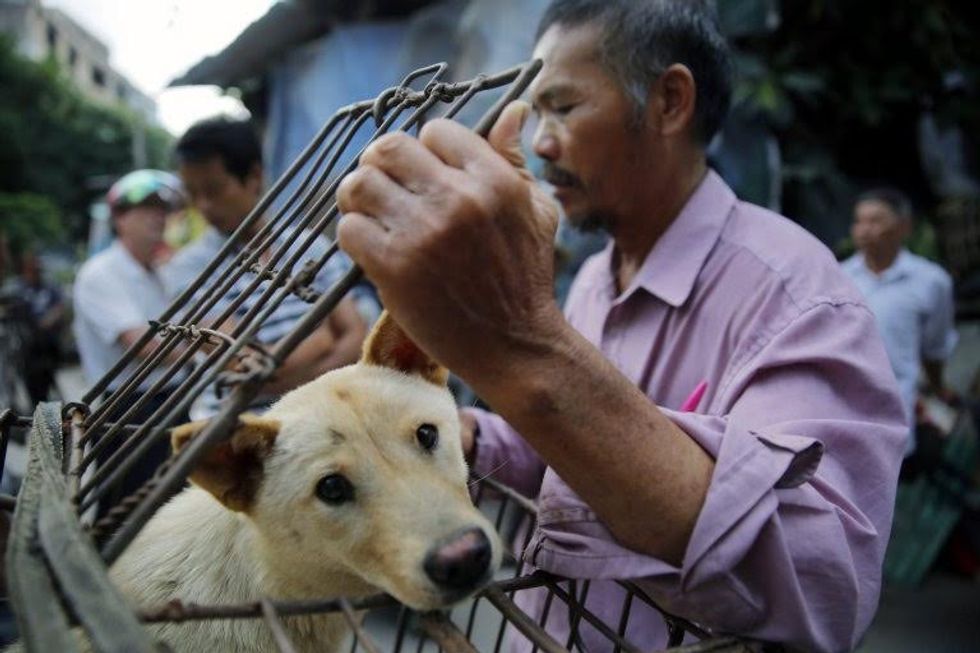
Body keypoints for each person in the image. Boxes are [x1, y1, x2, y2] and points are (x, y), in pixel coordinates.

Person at [334, 1, 907, 651]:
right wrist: (471, 437)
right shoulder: (598, 274)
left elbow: (820, 587)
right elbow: (563, 453)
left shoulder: (798, 298)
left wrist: (519, 340)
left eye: (564, 106)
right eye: (536, 113)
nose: (541, 141)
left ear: (668, 102)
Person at [164, 117, 373, 418]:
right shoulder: (189, 268)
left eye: (213, 190)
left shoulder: (307, 246)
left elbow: (355, 337)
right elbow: (243, 365)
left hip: (323, 417)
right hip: (236, 428)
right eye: (193, 194)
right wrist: (324, 336)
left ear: (254, 177)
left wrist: (284, 371)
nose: (204, 206)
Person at [72, 169, 191, 512]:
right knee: (128, 514)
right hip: (127, 409)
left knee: (172, 509)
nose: (158, 215)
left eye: (162, 208)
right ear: (120, 218)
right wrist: (205, 348)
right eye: (146, 207)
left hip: (172, 398)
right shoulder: (101, 273)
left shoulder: (163, 272)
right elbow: (146, 348)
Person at [843, 188, 959, 457]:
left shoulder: (931, 281)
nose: (864, 230)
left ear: (904, 227)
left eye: (875, 221)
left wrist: (938, 387)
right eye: (859, 221)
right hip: (846, 410)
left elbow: (935, 349)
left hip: (896, 412)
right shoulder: (838, 277)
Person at [11, 252, 66, 404]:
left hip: (48, 345)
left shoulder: (49, 286)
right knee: (35, 390)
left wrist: (48, 321)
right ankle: (44, 420)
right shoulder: (16, 289)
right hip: (27, 350)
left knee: (50, 385)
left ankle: (51, 420)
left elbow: (60, 306)